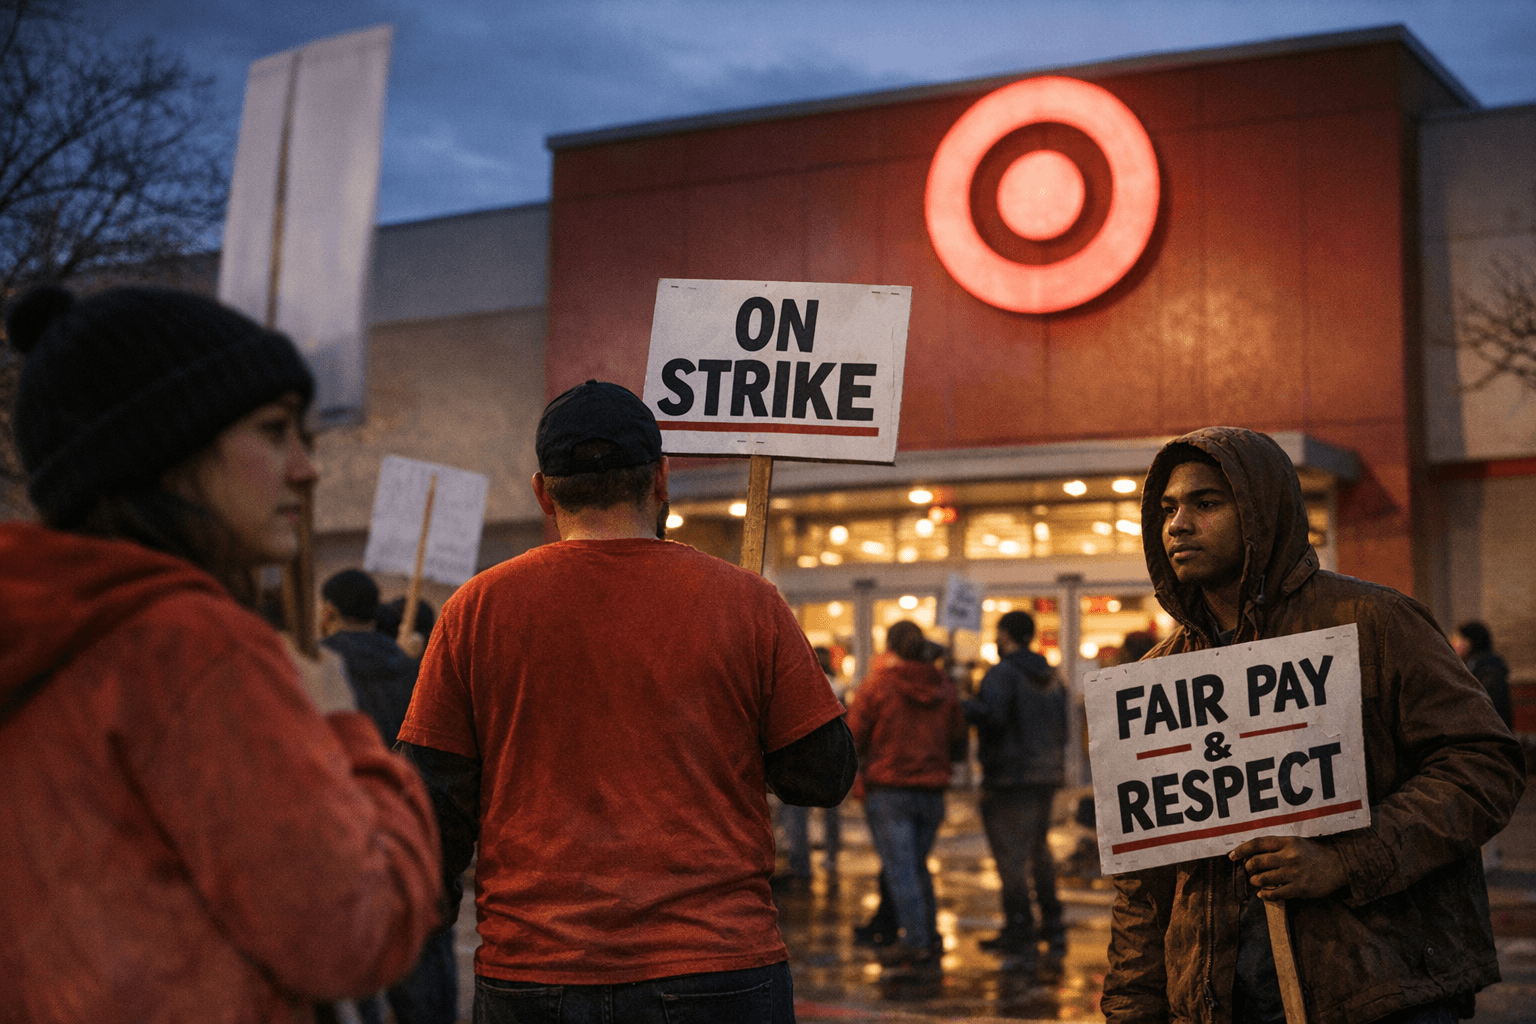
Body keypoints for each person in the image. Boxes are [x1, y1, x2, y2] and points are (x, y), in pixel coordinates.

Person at [0, 285, 442, 1021]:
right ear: (164, 449)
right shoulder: (196, 646)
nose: (307, 467)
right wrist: (343, 727)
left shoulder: (39, 639)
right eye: (274, 431)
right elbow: (357, 935)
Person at [395, 379, 856, 1024]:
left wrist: (421, 933)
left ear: (542, 494)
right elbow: (823, 775)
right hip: (719, 967)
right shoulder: (746, 602)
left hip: (534, 968)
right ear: (662, 480)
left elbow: (433, 801)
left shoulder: (476, 609)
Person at [1102, 427, 1526, 1024]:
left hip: (1378, 996)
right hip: (1217, 1005)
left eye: (1206, 503)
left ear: (1260, 513)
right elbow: (1142, 889)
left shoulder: (1375, 624)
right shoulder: (1156, 679)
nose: (1177, 524)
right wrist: (1132, 1011)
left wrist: (1344, 861)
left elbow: (1484, 765)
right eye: (1168, 508)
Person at [320, 569, 458, 1024]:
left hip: (349, 840)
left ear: (327, 613)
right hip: (417, 834)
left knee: (358, 995)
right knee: (426, 990)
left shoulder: (319, 670)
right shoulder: (417, 666)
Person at [845, 621, 965, 971]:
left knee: (902, 870)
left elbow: (854, 733)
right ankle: (927, 935)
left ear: (891, 647)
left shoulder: (879, 684)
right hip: (931, 791)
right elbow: (958, 734)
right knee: (915, 866)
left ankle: (916, 941)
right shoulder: (944, 685)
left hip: (889, 789)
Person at [962, 610, 1068, 977]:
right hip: (1045, 774)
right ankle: (1052, 924)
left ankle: (1019, 928)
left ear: (1005, 635)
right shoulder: (1052, 675)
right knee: (1039, 850)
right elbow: (1064, 725)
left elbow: (992, 717)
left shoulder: (1002, 674)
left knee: (1011, 858)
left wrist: (963, 702)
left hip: (1010, 777)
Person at [774, 646, 845, 892]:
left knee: (796, 814)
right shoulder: (838, 686)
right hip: (832, 756)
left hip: (801, 759)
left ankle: (801, 864)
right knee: (831, 812)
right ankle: (832, 856)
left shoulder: (796, 685)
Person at [1454, 621, 1514, 731]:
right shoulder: (1474, 664)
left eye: (1458, 640)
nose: (1453, 643)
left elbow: (1483, 706)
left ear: (1470, 642)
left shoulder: (1488, 669)